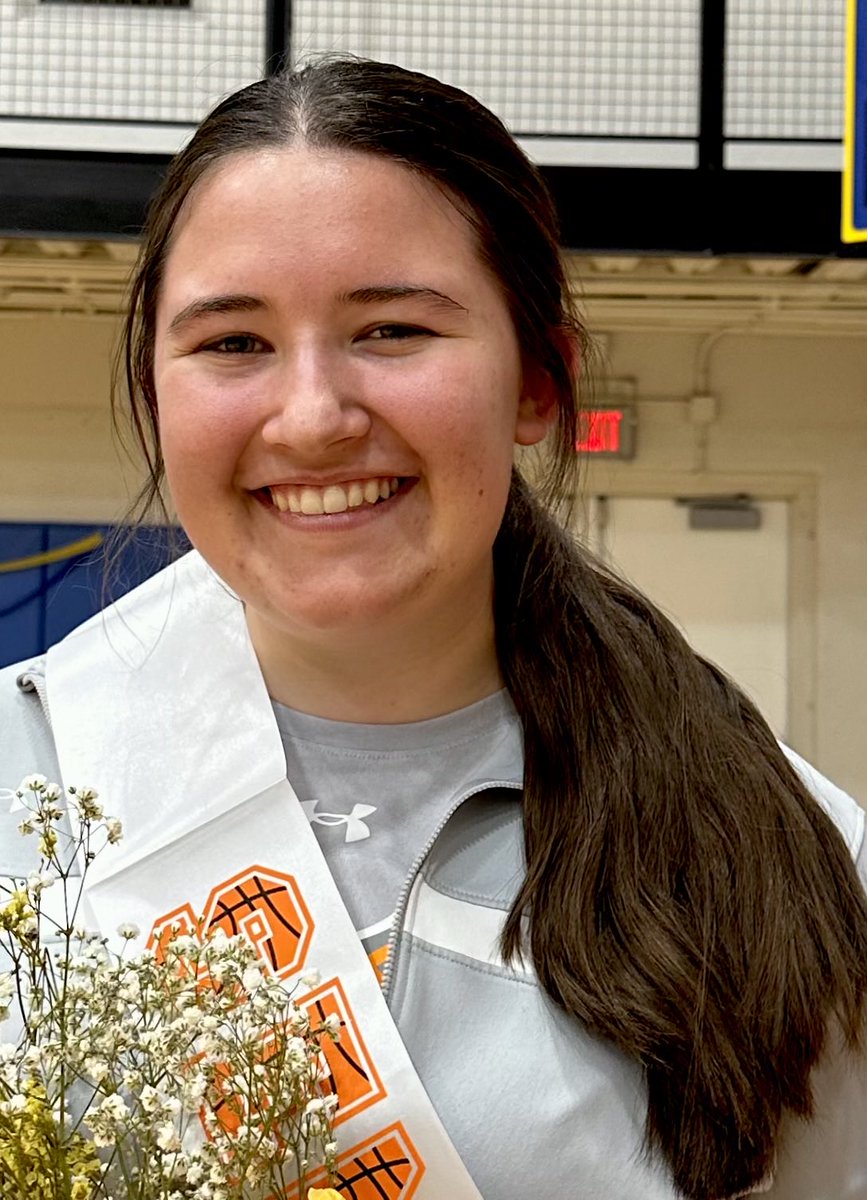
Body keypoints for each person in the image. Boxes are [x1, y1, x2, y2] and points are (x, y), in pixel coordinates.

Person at [2, 57, 867, 1200]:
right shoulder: (35, 762)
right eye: (234, 344)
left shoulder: (780, 858)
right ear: (155, 392)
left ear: (539, 382)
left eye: (394, 329)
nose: (312, 417)